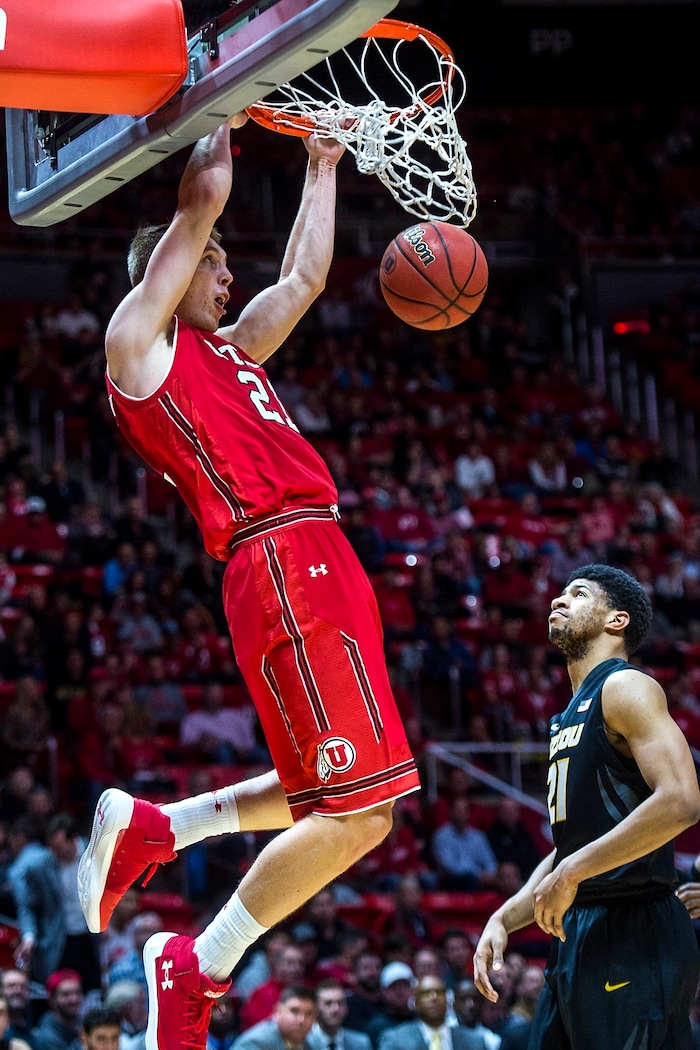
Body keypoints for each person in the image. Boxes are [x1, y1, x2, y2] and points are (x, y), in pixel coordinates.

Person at [77, 115, 419, 1050]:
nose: (229, 278)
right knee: (364, 814)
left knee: (335, 796)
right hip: (278, 558)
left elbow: (304, 279)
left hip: (315, 556)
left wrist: (322, 162)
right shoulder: (141, 346)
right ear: (177, 269)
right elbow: (198, 201)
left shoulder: (230, 353)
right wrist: (219, 108)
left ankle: (162, 826)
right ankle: (202, 960)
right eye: (217, 265)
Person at [473, 564, 700, 1049]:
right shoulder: (566, 716)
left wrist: (572, 873)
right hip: (578, 933)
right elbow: (570, 847)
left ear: (616, 621)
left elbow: (681, 801)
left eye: (577, 594)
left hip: (633, 928)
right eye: (558, 593)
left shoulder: (626, 687)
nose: (557, 600)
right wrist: (504, 918)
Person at [376, 975, 485, 1050]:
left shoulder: (474, 1041)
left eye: (439, 992)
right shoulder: (395, 1040)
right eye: (425, 993)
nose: (434, 998)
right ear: (415, 1003)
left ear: (448, 1000)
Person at [231, 986, 316, 1050]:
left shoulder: (312, 1045)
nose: (302, 1020)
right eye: (294, 1011)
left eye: (308, 1014)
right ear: (277, 1011)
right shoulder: (254, 1043)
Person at [308, 978, 372, 1050]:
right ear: (315, 1008)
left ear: (346, 1008)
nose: (336, 1009)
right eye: (328, 1003)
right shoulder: (304, 1042)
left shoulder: (361, 1043)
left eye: (340, 1003)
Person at [30, 969, 84, 1050]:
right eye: (66, 994)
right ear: (52, 1000)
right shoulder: (45, 1036)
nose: (74, 999)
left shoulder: (84, 1023)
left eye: (77, 993)